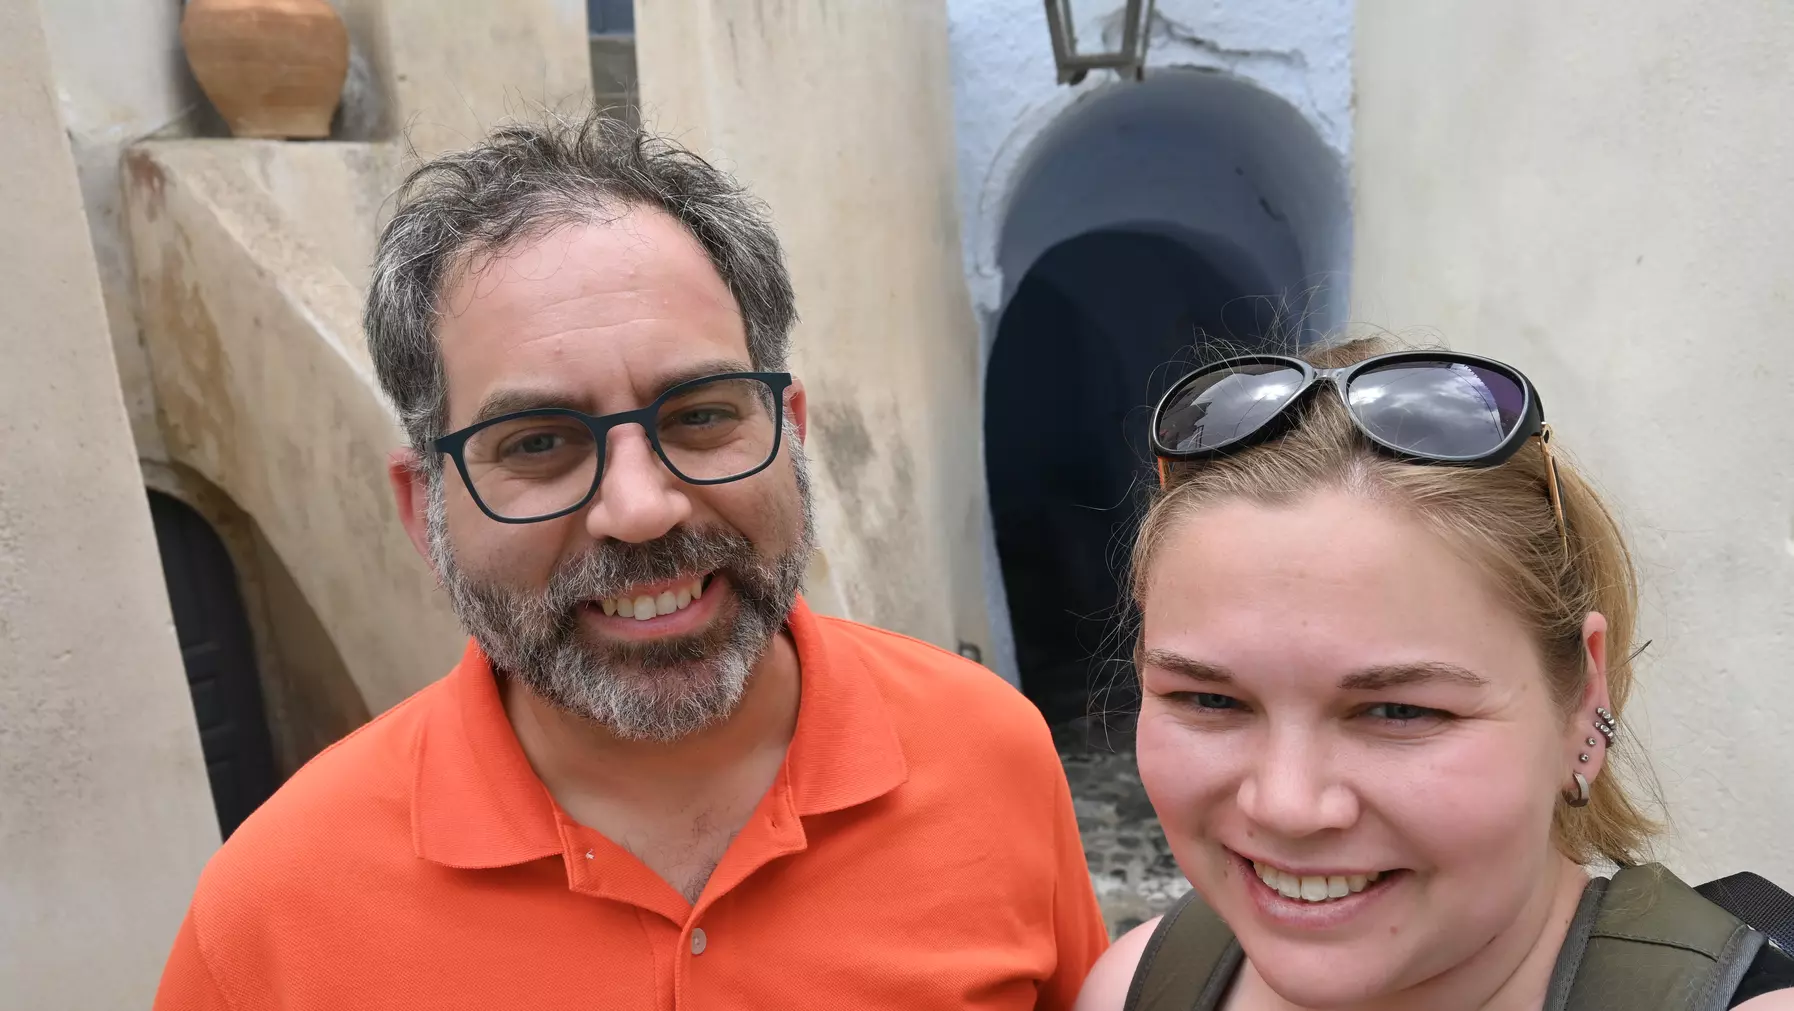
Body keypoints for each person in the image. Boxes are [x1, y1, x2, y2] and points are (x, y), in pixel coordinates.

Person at [153, 112, 1108, 1010]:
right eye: (537, 442)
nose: (642, 509)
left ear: (790, 435)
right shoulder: (272, 913)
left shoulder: (994, 756)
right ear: (424, 508)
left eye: (700, 415)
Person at [1074, 338, 1794, 1010]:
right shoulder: (1134, 987)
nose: (1286, 805)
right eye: (1209, 698)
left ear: (1581, 701)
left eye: (1399, 711)